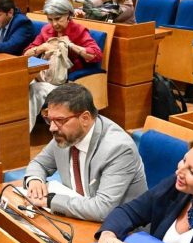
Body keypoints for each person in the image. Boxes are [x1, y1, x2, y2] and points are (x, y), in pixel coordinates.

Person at [23, 83, 147, 221]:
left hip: (120, 232)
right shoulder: (66, 135)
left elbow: (102, 209)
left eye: (59, 120)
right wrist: (35, 180)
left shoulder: (118, 149)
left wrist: (50, 201)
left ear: (85, 118)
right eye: (49, 119)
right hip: (78, 217)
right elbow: (39, 163)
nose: (52, 128)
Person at [24, 0, 102, 130]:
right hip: (43, 76)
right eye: (50, 19)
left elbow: (95, 55)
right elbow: (26, 54)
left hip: (66, 82)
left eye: (58, 19)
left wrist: (71, 45)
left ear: (68, 15)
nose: (54, 24)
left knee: (35, 91)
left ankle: (22, 136)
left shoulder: (78, 31)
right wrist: (42, 47)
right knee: (18, 87)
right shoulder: (46, 30)